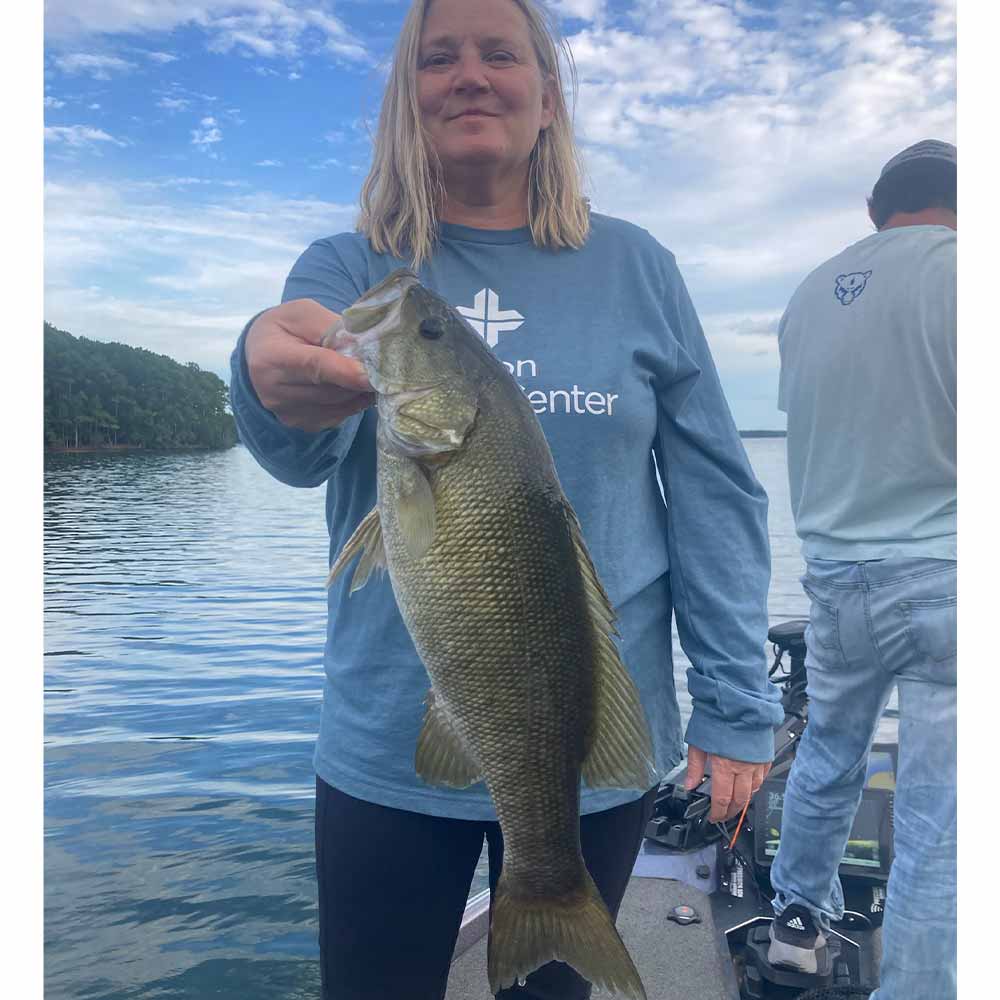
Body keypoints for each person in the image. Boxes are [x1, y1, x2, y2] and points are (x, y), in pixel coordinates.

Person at [229, 1, 782, 997]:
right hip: (386, 743)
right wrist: (262, 376)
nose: (469, 75)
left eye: (499, 53)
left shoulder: (638, 266)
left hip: (587, 739)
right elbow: (298, 453)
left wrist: (735, 704)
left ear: (547, 94)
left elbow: (714, 492)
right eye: (439, 57)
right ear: (408, 96)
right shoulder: (351, 266)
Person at [767, 139, 957, 1000]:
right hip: (945, 575)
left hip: (835, 576)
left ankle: (795, 927)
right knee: (940, 816)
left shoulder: (810, 294)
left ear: (877, 211)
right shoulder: (965, 271)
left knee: (829, 755)